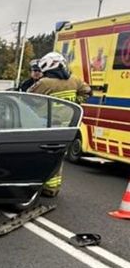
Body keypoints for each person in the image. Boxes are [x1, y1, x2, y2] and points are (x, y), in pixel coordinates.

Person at [27, 51, 91, 197]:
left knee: (41, 156)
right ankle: (52, 188)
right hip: (68, 126)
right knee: (58, 157)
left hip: (47, 125)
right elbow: (88, 92)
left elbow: (27, 98)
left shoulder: (44, 83)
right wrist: (76, 103)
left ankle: (37, 186)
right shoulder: (75, 81)